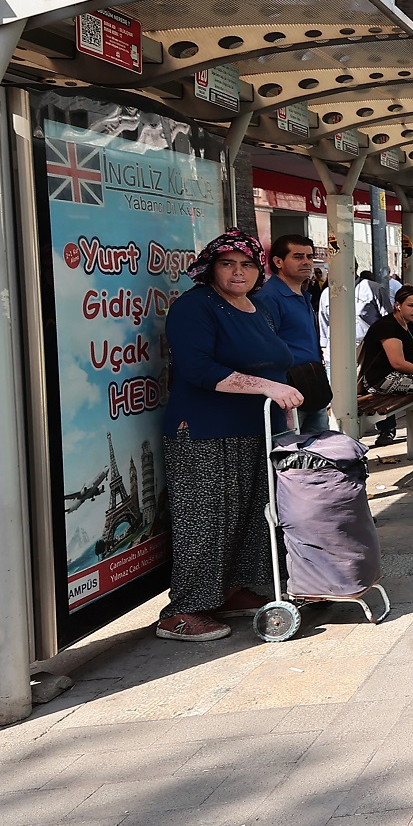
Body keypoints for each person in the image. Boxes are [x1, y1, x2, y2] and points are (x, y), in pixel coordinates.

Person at [156, 230, 303, 641]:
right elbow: (198, 368)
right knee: (207, 520)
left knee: (252, 515)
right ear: (211, 267)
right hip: (204, 431)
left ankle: (228, 590)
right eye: (228, 263)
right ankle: (183, 610)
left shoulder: (256, 307)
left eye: (247, 264)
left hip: (257, 428)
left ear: (259, 270)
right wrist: (267, 387)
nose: (238, 272)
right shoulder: (194, 307)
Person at [255, 233, 332, 434]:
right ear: (278, 262)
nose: (306, 262)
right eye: (298, 256)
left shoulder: (303, 293)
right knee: (291, 456)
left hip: (312, 382)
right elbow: (265, 348)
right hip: (287, 388)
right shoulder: (268, 297)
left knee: (319, 452)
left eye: (309, 256)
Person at [359, 284, 413, 446]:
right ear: (398, 305)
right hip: (380, 380)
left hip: (400, 377)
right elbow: (398, 363)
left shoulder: (407, 324)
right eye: (411, 305)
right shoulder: (387, 326)